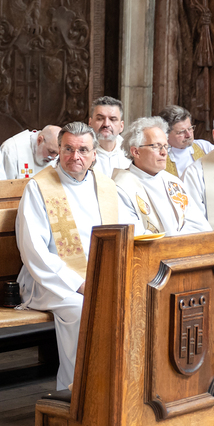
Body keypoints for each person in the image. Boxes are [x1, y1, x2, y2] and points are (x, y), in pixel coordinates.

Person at [15, 122, 142, 393]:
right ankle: (74, 395)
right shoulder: (39, 187)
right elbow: (33, 250)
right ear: (59, 151)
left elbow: (129, 231)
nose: (75, 156)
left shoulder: (105, 186)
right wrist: (80, 283)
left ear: (94, 154)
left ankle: (118, 390)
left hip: (99, 277)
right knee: (85, 309)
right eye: (68, 149)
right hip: (49, 281)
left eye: (83, 150)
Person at [113, 117, 211, 235]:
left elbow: (199, 225)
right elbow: (133, 234)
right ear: (136, 152)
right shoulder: (120, 188)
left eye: (165, 146)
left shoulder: (174, 183)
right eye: (156, 146)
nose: (164, 152)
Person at [159, 105, 214, 177]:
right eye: (181, 132)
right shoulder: (160, 156)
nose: (188, 135)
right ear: (166, 134)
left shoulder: (203, 146)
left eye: (190, 128)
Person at [88, 96, 130, 178]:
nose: (106, 124)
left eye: (113, 119)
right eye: (100, 118)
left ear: (121, 126)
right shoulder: (79, 152)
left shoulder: (131, 153)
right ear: (90, 123)